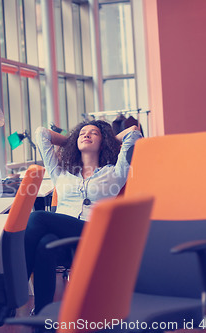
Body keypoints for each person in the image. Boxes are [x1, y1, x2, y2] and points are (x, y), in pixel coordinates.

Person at [25, 120, 142, 314]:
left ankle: (15, 291)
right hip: (65, 241)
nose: (86, 135)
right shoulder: (61, 173)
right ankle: (42, 316)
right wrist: (71, 140)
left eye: (93, 133)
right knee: (45, 243)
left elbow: (133, 134)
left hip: (96, 234)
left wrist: (108, 139)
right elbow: (41, 134)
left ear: (103, 142)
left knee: (37, 218)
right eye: (82, 134)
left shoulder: (115, 172)